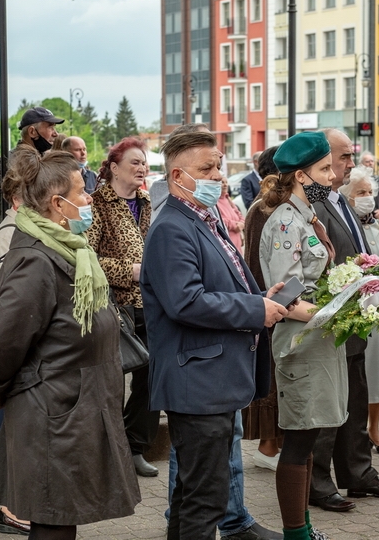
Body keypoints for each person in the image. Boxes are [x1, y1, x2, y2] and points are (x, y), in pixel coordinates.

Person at [0, 151, 141, 540]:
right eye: (82, 192)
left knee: (62, 514)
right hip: (53, 410)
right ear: (56, 203)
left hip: (71, 404)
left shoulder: (68, 246)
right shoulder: (35, 256)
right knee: (53, 518)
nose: (90, 200)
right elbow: (4, 337)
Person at [142, 129, 289, 540]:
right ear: (177, 176)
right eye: (206, 168)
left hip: (214, 378)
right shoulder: (173, 226)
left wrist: (260, 297)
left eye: (219, 166)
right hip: (197, 381)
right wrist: (255, 309)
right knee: (203, 498)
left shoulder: (203, 219)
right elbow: (185, 302)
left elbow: (221, 286)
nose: (218, 176)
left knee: (201, 493)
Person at [310, 130, 379, 514]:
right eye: (344, 156)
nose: (352, 163)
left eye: (351, 156)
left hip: (356, 318)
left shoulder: (339, 197)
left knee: (355, 399)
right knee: (329, 406)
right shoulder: (313, 201)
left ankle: (358, 474)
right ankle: (318, 483)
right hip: (333, 318)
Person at [259, 131, 345, 538]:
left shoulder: (306, 216)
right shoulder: (284, 224)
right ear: (299, 176)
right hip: (300, 341)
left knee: (310, 435)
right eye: (324, 169)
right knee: (298, 439)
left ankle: (305, 529)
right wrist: (341, 316)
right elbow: (286, 300)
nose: (331, 177)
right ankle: (295, 533)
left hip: (317, 338)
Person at [86, 137, 160, 477]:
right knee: (113, 382)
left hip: (150, 305)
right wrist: (128, 271)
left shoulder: (146, 201)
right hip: (115, 307)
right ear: (114, 167)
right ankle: (108, 453)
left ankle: (135, 447)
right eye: (135, 162)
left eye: (144, 163)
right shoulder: (97, 204)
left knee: (151, 378)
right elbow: (85, 259)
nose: (142, 168)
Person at [0, 148, 35, 536]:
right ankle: (11, 510)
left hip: (23, 350)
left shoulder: (24, 229)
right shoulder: (9, 233)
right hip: (14, 351)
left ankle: (19, 506)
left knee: (22, 435)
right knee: (13, 436)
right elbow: (5, 300)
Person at [338, 166, 379, 455]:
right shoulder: (341, 225)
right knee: (360, 373)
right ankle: (356, 429)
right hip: (359, 310)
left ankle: (375, 428)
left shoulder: (378, 225)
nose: (367, 198)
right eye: (360, 193)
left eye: (370, 192)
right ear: (346, 197)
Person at [242, 146, 284, 471]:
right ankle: (268, 447)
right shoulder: (263, 208)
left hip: (272, 301)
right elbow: (255, 261)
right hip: (268, 302)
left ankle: (275, 444)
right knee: (270, 377)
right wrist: (263, 300)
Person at [219, 176, 246, 252]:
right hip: (228, 242)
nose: (225, 185)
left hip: (238, 243)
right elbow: (220, 220)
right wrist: (235, 225)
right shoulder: (215, 202)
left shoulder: (227, 198)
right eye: (222, 182)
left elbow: (239, 214)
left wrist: (242, 224)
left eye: (226, 182)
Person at [359, 152, 379, 218]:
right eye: (367, 161)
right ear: (361, 164)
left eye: (372, 161)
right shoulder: (357, 182)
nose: (370, 163)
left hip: (378, 218)